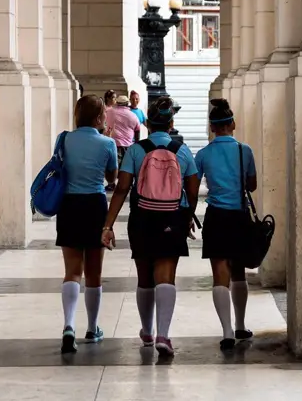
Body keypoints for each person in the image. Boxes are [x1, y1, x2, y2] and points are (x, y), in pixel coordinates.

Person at [101, 96, 201, 357]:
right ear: (171, 123)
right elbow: (192, 190)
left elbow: (122, 188)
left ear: (149, 124)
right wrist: (187, 216)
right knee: (166, 275)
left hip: (142, 217)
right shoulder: (182, 150)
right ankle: (163, 335)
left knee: (144, 276)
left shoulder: (136, 150)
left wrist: (108, 224)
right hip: (172, 217)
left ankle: (146, 330)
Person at [56, 94, 118, 354]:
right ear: (99, 117)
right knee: (94, 272)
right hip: (94, 205)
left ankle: (68, 325)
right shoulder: (107, 143)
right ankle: (92, 328)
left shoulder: (65, 139)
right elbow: (112, 176)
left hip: (68, 205)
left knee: (72, 270)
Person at [194, 98, 256, 350]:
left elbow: (193, 183)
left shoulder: (204, 154)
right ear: (232, 124)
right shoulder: (245, 150)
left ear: (212, 128)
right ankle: (241, 325)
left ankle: (227, 331)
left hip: (216, 215)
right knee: (239, 271)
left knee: (220, 273)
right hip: (239, 214)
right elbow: (251, 185)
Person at [106, 95, 141, 170]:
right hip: (127, 146)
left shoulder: (109, 112)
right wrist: (137, 145)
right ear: (127, 104)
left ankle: (111, 181)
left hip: (112, 145)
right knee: (125, 170)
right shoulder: (133, 116)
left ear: (117, 103)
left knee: (113, 169)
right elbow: (137, 131)